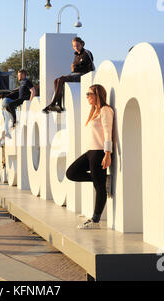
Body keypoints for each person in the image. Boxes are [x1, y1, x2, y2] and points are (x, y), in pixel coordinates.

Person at [65, 84, 114, 229]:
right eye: (86, 94)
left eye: (89, 94)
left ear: (97, 95)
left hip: (100, 152)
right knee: (71, 173)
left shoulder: (106, 110)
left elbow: (107, 132)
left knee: (99, 188)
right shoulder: (94, 112)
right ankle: (102, 178)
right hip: (90, 152)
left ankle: (95, 220)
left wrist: (107, 153)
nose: (87, 96)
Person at [43, 37, 95, 113]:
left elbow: (91, 66)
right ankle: (59, 105)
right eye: (74, 46)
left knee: (61, 79)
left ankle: (53, 103)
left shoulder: (86, 53)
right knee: (56, 80)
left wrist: (90, 77)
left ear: (82, 44)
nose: (76, 48)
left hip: (83, 75)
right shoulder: (76, 55)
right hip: (74, 74)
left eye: (77, 45)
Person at [1, 70, 34, 138]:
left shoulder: (27, 81)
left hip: (24, 99)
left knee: (10, 105)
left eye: (19, 75)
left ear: (23, 75)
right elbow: (19, 89)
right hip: (20, 100)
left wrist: (30, 101)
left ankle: (15, 121)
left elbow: (33, 90)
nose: (18, 76)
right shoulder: (22, 82)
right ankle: (14, 120)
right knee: (7, 107)